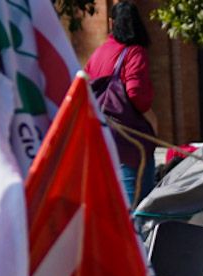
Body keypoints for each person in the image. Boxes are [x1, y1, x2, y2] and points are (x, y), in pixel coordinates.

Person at [85, 1, 156, 205]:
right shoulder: (134, 52)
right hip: (130, 141)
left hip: (101, 137)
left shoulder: (99, 53)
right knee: (137, 208)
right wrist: (151, 117)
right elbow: (135, 93)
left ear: (111, 22)